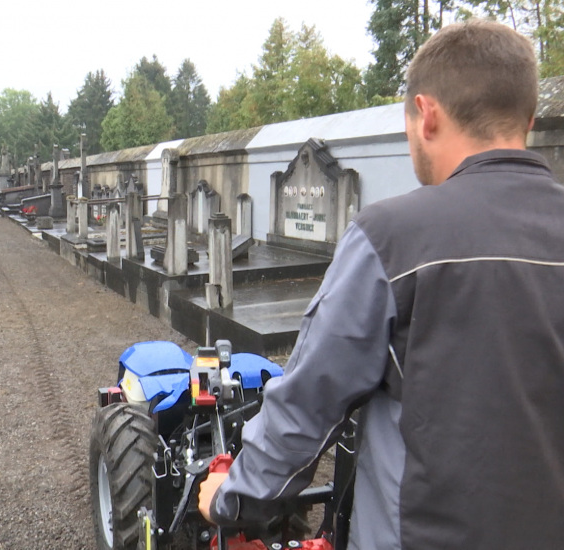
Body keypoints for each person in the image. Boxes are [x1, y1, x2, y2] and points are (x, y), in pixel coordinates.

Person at [198, 19, 564, 549]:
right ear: (526, 120)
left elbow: (306, 406)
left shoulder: (392, 239)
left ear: (426, 114)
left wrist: (231, 495)